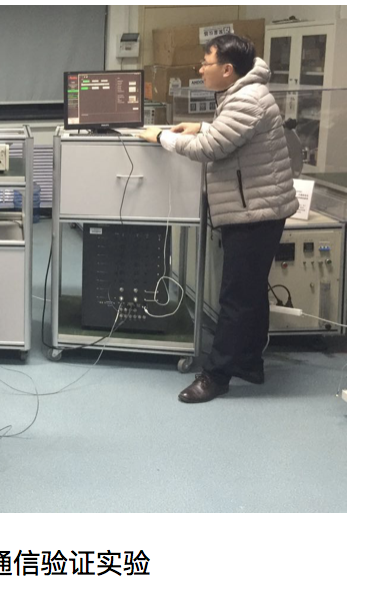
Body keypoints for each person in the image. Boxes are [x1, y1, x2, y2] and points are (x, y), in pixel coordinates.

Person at [136, 34, 298, 404]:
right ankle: (249, 363)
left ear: (227, 69)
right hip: (258, 208)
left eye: (206, 63)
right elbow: (234, 135)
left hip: (254, 212)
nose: (200, 69)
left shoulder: (247, 99)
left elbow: (211, 149)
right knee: (250, 293)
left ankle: (216, 376)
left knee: (235, 297)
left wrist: (162, 137)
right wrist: (201, 125)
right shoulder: (242, 93)